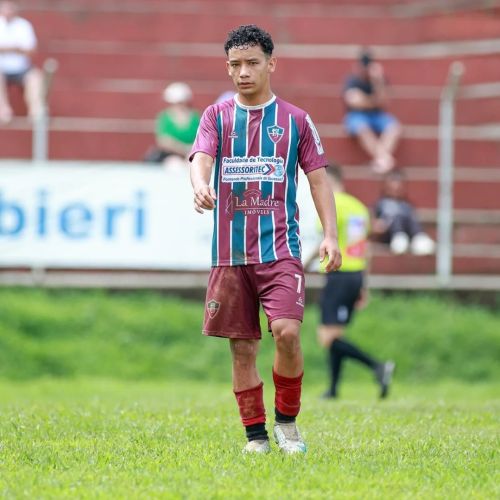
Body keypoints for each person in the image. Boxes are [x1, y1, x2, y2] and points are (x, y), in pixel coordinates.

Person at [189, 25, 342, 455]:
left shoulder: (296, 120)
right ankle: (255, 437)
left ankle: (287, 424)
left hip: (281, 250)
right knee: (243, 348)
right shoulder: (216, 116)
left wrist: (330, 235)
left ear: (271, 64)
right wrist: (199, 184)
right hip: (230, 253)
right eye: (235, 64)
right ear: (227, 67)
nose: (243, 72)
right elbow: (200, 157)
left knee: (287, 333)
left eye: (252, 63)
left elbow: (318, 180)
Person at [306, 164, 395, 399]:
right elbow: (365, 249)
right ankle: (333, 389)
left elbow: (325, 241)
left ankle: (377, 366)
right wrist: (363, 284)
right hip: (355, 275)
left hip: (339, 274)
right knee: (336, 333)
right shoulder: (358, 207)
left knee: (327, 337)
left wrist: (303, 265)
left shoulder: (332, 204)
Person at [343, 49, 401, 174]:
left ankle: (381, 159)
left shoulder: (379, 80)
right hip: (357, 115)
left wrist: (378, 82)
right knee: (362, 129)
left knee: (394, 128)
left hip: (377, 115)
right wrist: (374, 101)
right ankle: (385, 159)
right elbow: (353, 101)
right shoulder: (352, 80)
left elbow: (384, 101)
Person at [0, 0, 44, 123]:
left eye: (10, 8)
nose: (8, 11)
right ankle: (3, 111)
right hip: (1, 68)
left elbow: (31, 50)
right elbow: (23, 49)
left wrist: (6, 49)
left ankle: (36, 113)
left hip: (22, 68)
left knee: (35, 78)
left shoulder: (24, 25)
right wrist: (16, 49)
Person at [373, 170, 436, 255]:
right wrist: (380, 225)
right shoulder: (381, 204)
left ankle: (419, 237)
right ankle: (399, 238)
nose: (395, 190)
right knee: (397, 218)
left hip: (407, 233)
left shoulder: (406, 205)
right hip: (390, 234)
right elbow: (375, 224)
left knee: (410, 218)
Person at [143, 82, 200, 167]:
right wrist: (184, 150)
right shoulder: (165, 117)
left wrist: (191, 151)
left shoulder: (196, 117)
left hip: (192, 156)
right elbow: (163, 141)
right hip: (170, 156)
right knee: (174, 164)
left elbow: (202, 139)